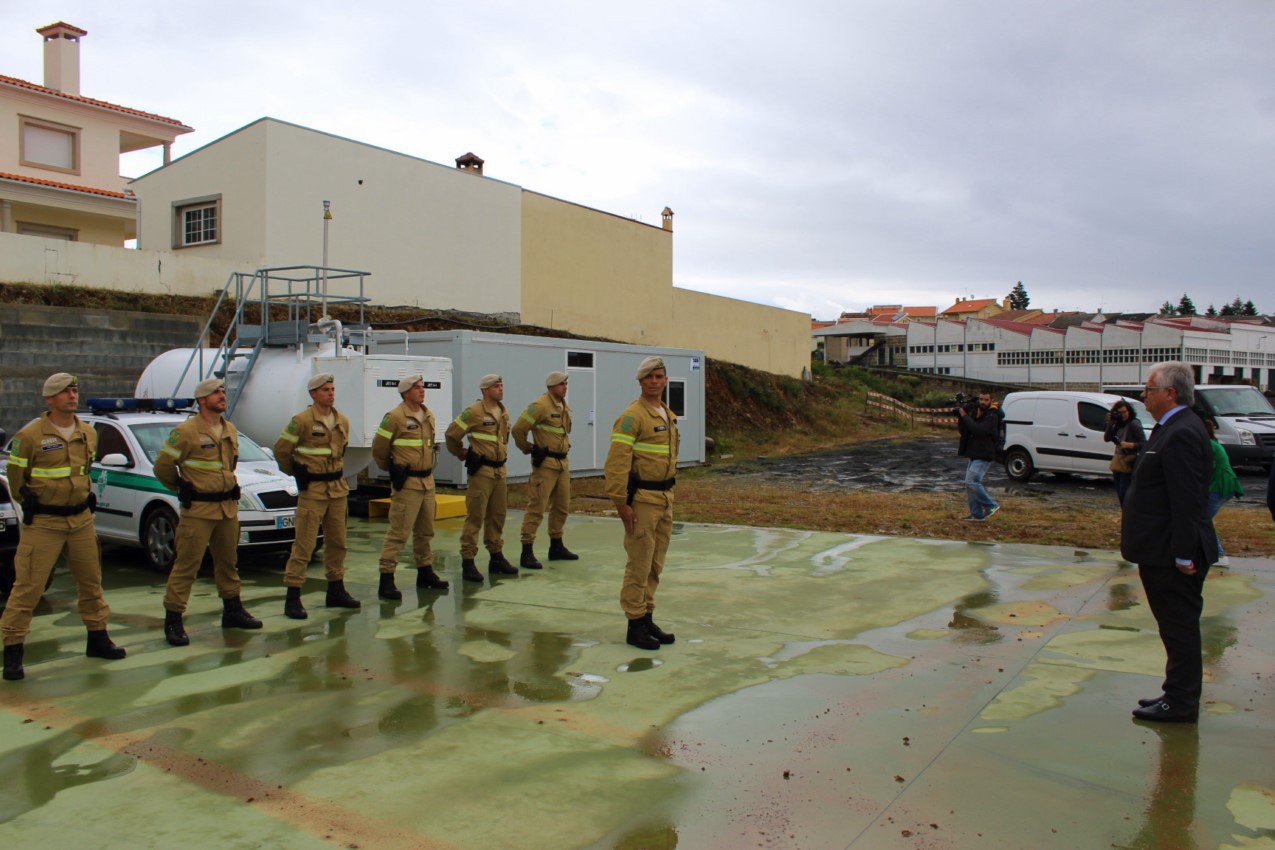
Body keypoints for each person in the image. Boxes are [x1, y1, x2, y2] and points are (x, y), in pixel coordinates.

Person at [2, 373, 125, 681]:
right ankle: (13, 650)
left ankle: (98, 637)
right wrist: (32, 501)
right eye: (65, 392)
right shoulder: (29, 436)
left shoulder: (88, 432)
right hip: (45, 522)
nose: (72, 395)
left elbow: (86, 470)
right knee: (27, 587)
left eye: (74, 390)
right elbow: (17, 481)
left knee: (91, 582)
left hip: (81, 520)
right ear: (49, 399)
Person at [1121, 361, 1218, 723]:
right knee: (1173, 627)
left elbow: (1187, 499)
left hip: (1171, 555)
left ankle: (1180, 702)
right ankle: (1175, 692)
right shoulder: (1172, 428)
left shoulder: (1182, 433)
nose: (1144, 396)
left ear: (1170, 393)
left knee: (1179, 628)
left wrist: (1181, 554)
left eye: (1149, 389)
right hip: (1161, 550)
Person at [153, 378, 262, 645]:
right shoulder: (186, 432)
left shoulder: (230, 429)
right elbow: (163, 466)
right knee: (186, 565)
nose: (222, 395)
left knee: (228, 563)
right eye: (216, 393)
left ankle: (233, 610)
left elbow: (229, 466)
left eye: (223, 391)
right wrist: (180, 486)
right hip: (199, 510)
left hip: (226, 509)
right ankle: (174, 619)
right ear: (202, 400)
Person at [604, 356, 679, 651]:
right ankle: (634, 624)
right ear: (640, 381)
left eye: (659, 376)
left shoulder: (666, 414)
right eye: (649, 377)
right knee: (639, 562)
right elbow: (616, 463)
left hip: (664, 497)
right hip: (643, 500)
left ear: (665, 380)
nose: (654, 381)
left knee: (655, 562)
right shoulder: (632, 416)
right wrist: (621, 503)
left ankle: (647, 616)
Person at [273, 373, 360, 619]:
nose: (331, 394)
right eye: (325, 390)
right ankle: (293, 595)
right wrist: (297, 473)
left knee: (338, 543)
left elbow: (340, 450)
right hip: (313, 490)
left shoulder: (341, 420)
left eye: (332, 389)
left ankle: (336, 589)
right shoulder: (300, 421)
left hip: (337, 489)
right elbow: (281, 450)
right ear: (313, 394)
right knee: (305, 544)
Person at [372, 374, 449, 597]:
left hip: (427, 481)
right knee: (399, 532)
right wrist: (393, 470)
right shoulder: (395, 417)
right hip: (407, 482)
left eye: (422, 387)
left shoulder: (427, 415)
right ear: (406, 393)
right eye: (416, 388)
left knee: (426, 531)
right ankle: (386, 578)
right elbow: (379, 449)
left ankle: (425, 572)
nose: (421, 390)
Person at [445, 374, 515, 583]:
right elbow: (451, 434)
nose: (500, 389)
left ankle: (496, 557)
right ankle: (468, 561)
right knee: (475, 517)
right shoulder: (474, 412)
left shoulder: (502, 411)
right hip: (482, 472)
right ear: (485, 390)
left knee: (497, 516)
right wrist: (460, 453)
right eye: (496, 386)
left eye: (501, 385)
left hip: (499, 471)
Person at [512, 371, 578, 570]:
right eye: (561, 384)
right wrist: (528, 448)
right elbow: (517, 429)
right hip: (546, 464)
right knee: (537, 507)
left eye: (566, 383)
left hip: (562, 464)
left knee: (561, 506)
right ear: (551, 386)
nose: (565, 387)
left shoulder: (563, 406)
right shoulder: (540, 406)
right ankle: (527, 550)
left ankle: (556, 545)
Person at [954, 390, 1003, 521]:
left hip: (985, 453)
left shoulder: (993, 415)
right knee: (969, 483)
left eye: (986, 400)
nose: (982, 402)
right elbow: (965, 430)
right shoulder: (979, 412)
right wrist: (961, 416)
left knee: (971, 481)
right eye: (981, 399)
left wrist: (965, 416)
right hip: (975, 452)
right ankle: (977, 514)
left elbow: (979, 430)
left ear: (991, 401)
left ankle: (991, 505)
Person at [1203, 419, 1241, 567]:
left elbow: (1207, 468)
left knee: (1203, 520)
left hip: (1219, 486)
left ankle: (1219, 554)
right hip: (1223, 484)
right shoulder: (1212, 443)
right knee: (1203, 519)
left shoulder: (1208, 445)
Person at [1105, 398, 1146, 506]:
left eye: (1125, 412)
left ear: (1129, 411)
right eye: (1120, 413)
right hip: (1119, 461)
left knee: (1125, 493)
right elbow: (1107, 438)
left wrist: (1130, 445)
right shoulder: (1117, 424)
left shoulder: (1134, 424)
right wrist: (1110, 423)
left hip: (1129, 462)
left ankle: (1129, 516)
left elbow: (1144, 444)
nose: (1123, 415)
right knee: (1119, 492)